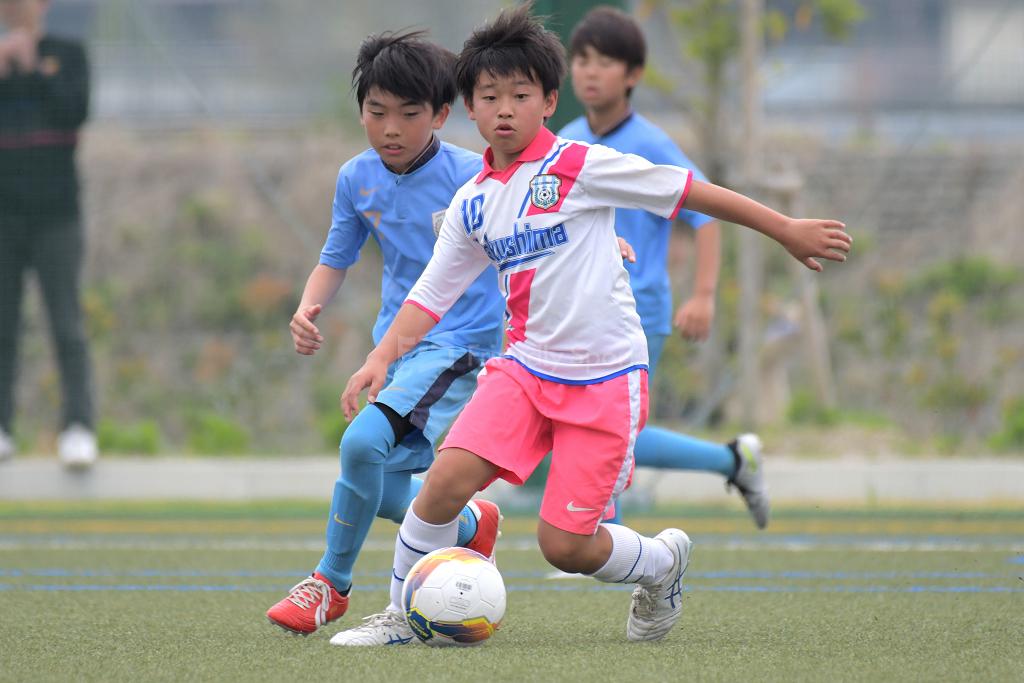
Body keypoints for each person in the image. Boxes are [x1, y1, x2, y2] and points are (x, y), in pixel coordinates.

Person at [331, 2, 850, 646]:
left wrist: (785, 227)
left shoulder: (580, 164)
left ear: (549, 102)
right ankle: (400, 616)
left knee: (565, 546)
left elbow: (688, 191)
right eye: (489, 96)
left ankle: (661, 564)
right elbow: (430, 295)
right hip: (523, 372)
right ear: (468, 108)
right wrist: (380, 358)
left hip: (604, 379)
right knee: (441, 486)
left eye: (520, 95)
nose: (504, 109)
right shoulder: (472, 202)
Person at [264, 31, 507, 637]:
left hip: (461, 347)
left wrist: (600, 242)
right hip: (397, 347)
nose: (391, 128)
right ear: (361, 112)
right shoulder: (356, 178)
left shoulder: (473, 175)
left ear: (441, 115)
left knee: (359, 444)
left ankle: (330, 584)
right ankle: (472, 525)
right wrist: (308, 306)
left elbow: (533, 223)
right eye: (377, 112)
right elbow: (335, 257)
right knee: (388, 487)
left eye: (408, 113)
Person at [559, 6, 767, 528]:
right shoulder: (567, 136)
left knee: (606, 431)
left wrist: (704, 295)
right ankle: (733, 461)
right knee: (595, 430)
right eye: (581, 60)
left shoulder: (650, 143)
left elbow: (704, 214)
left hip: (639, 309)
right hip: (581, 309)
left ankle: (601, 539)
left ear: (633, 74)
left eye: (604, 62)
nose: (589, 71)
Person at [0, 0, 96, 467]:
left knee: (66, 323)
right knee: (3, 325)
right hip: (4, 215)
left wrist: (35, 68)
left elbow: (73, 110)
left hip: (56, 214)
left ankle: (78, 427)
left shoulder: (67, 53)